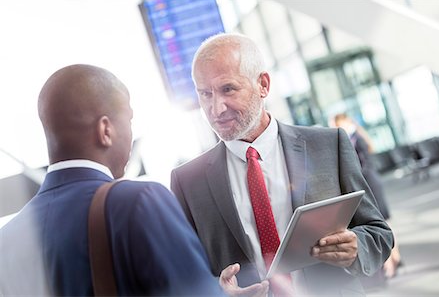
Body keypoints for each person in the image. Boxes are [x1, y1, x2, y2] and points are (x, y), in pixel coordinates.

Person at [170, 33, 394, 296]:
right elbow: (183, 275)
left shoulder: (327, 145)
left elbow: (379, 234)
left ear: (263, 84)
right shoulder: (187, 181)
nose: (216, 108)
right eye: (205, 94)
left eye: (228, 89)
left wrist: (357, 247)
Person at [0, 64, 226, 296]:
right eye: (128, 120)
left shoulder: (5, 241)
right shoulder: (136, 202)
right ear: (105, 130)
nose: (130, 133)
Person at [332, 113, 401, 279]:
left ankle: (390, 263)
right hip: (369, 182)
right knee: (384, 221)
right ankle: (394, 259)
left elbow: (365, 165)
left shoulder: (357, 139)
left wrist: (352, 177)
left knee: (381, 222)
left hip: (370, 184)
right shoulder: (355, 138)